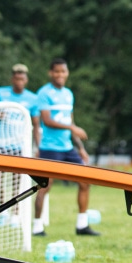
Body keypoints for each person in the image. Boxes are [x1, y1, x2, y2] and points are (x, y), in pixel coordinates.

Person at [33, 57, 99, 237]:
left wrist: (80, 148)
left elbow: (71, 122)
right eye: (57, 71)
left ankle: (82, 225)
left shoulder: (69, 94)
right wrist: (72, 127)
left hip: (67, 147)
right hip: (49, 148)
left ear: (67, 73)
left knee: (85, 181)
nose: (60, 75)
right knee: (45, 186)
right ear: (50, 73)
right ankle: (37, 227)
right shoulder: (44, 93)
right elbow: (47, 121)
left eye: (63, 71)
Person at [0, 64, 41, 222]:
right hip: (1, 143)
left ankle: (16, 213)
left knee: (17, 181)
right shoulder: (1, 92)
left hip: (20, 146)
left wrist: (37, 147)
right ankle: (2, 210)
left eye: (22, 78)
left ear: (26, 80)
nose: (19, 81)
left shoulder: (33, 98)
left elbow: (36, 125)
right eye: (16, 78)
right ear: (12, 79)